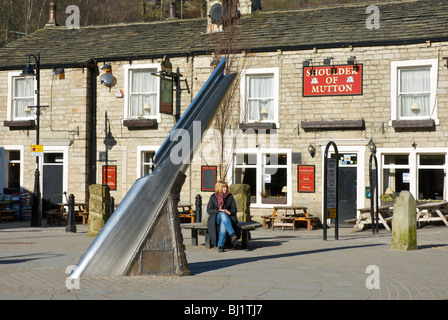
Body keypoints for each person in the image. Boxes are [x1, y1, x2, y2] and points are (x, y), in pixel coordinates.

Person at [207, 181, 240, 252]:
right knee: (222, 214)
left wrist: (228, 211)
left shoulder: (230, 196)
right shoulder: (213, 197)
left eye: (226, 187)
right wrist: (220, 211)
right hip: (216, 218)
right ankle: (232, 235)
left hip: (227, 218)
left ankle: (221, 245)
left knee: (223, 222)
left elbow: (234, 210)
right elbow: (209, 210)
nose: (225, 189)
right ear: (219, 188)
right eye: (223, 187)